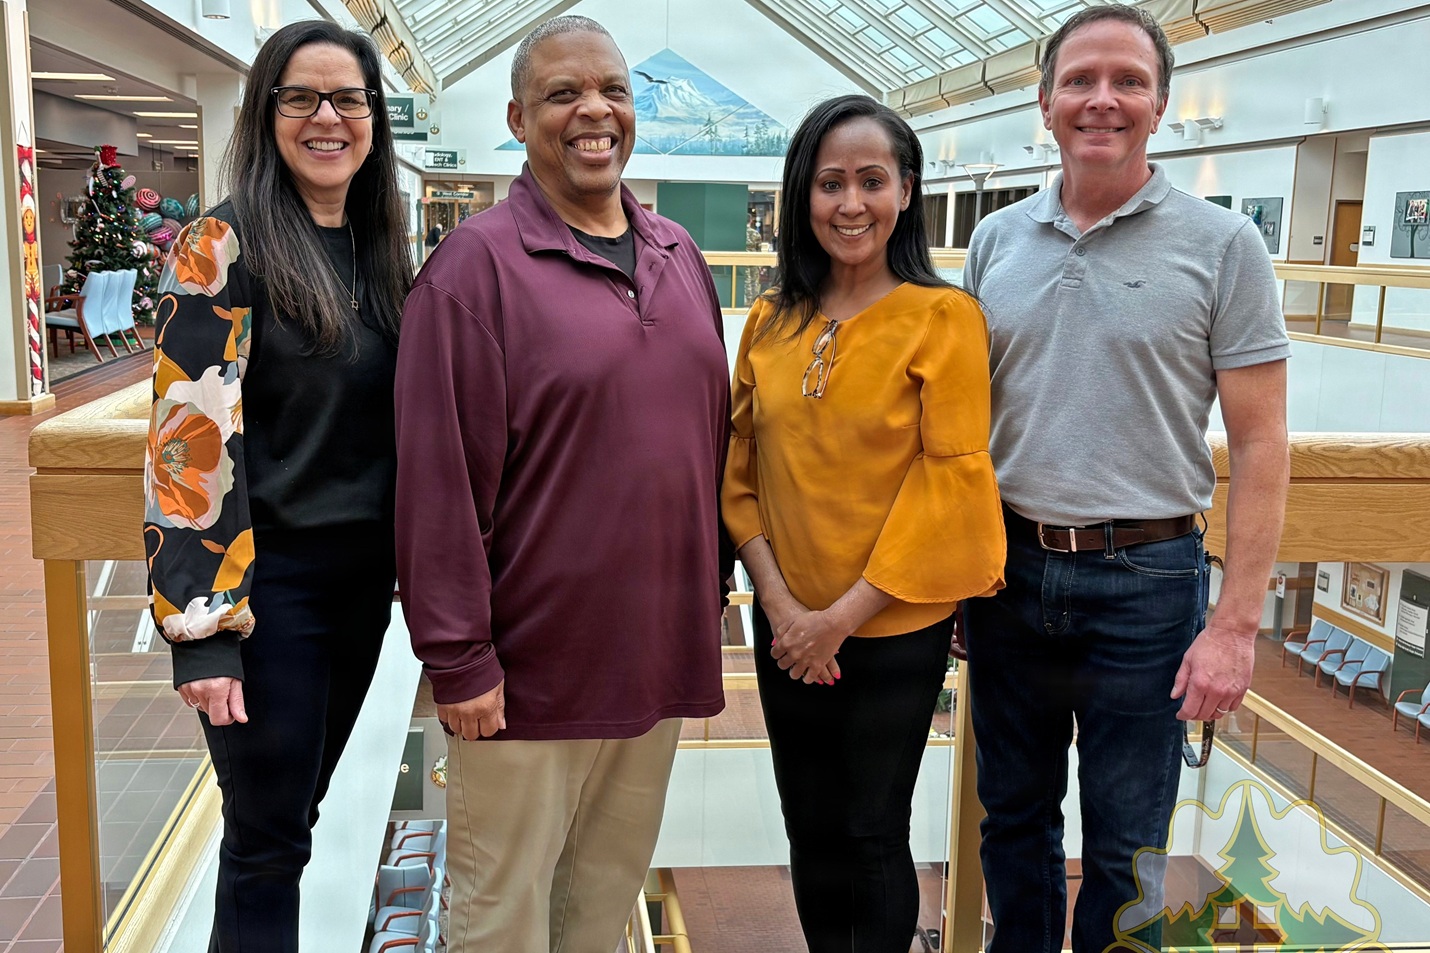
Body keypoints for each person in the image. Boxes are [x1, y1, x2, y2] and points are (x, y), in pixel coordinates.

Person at [393, 15, 729, 953]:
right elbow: (437, 485)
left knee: (600, 907)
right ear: (516, 116)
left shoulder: (678, 255)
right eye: (562, 94)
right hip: (525, 683)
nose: (595, 111)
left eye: (613, 91)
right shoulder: (473, 271)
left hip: (656, 663)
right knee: (500, 918)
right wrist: (458, 659)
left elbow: (711, 445)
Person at [960, 6, 1290, 952]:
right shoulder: (996, 242)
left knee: (1127, 844)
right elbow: (973, 429)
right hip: (1010, 574)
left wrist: (1235, 623)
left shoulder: (1224, 247)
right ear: (1046, 101)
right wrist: (956, 570)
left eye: (1128, 82)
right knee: (1012, 826)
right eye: (1080, 80)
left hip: (1147, 583)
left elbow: (1261, 443)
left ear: (1160, 106)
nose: (1102, 100)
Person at [143, 20, 410, 952]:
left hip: (359, 590)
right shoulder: (223, 243)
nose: (327, 117)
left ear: (375, 119)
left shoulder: (380, 249)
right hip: (268, 597)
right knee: (265, 845)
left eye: (349, 98)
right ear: (267, 111)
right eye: (302, 97)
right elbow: (186, 444)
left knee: (288, 826)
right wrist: (201, 635)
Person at [721, 94, 1005, 953]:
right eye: (830, 182)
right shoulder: (771, 319)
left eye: (872, 181)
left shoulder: (944, 318)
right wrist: (783, 610)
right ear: (801, 197)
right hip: (786, 627)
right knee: (807, 825)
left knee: (871, 829)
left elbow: (949, 488)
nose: (851, 203)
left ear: (907, 191)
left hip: (888, 629)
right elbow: (740, 473)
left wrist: (835, 621)